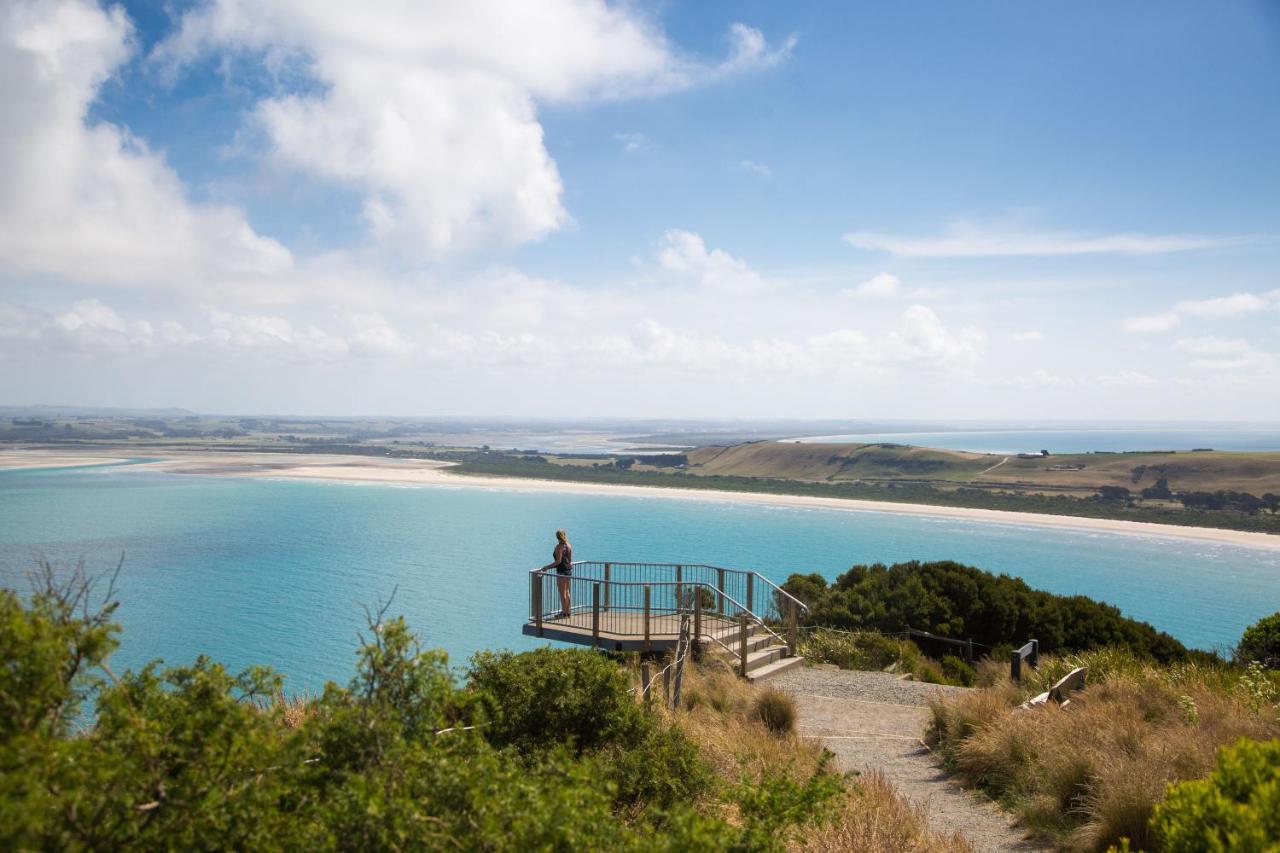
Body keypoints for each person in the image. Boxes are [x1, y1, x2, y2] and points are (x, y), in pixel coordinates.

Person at [541, 529, 573, 618]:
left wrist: (546, 567)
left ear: (557, 537)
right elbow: (570, 560)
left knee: (562, 593)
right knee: (567, 592)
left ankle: (564, 613)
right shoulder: (569, 546)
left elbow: (558, 561)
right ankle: (568, 612)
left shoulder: (559, 547)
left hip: (561, 571)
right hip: (568, 570)